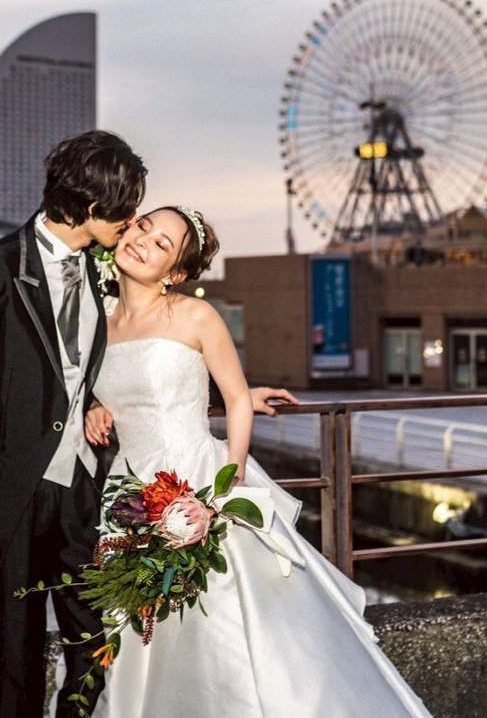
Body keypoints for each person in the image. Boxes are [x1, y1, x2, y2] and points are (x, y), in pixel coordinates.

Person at [0, 134, 296, 718]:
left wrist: (231, 396)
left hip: (92, 492)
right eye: (129, 215)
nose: (133, 230)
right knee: (15, 654)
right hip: (13, 494)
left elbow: (133, 362)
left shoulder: (104, 273)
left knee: (100, 641)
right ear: (92, 207)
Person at [83, 206, 433, 717]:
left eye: (163, 244)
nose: (143, 242)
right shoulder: (96, 320)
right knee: (140, 628)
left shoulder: (196, 316)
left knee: (225, 624)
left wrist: (227, 487)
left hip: (198, 482)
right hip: (128, 496)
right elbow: (128, 392)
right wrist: (97, 406)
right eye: (143, 228)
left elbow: (239, 398)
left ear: (175, 273)